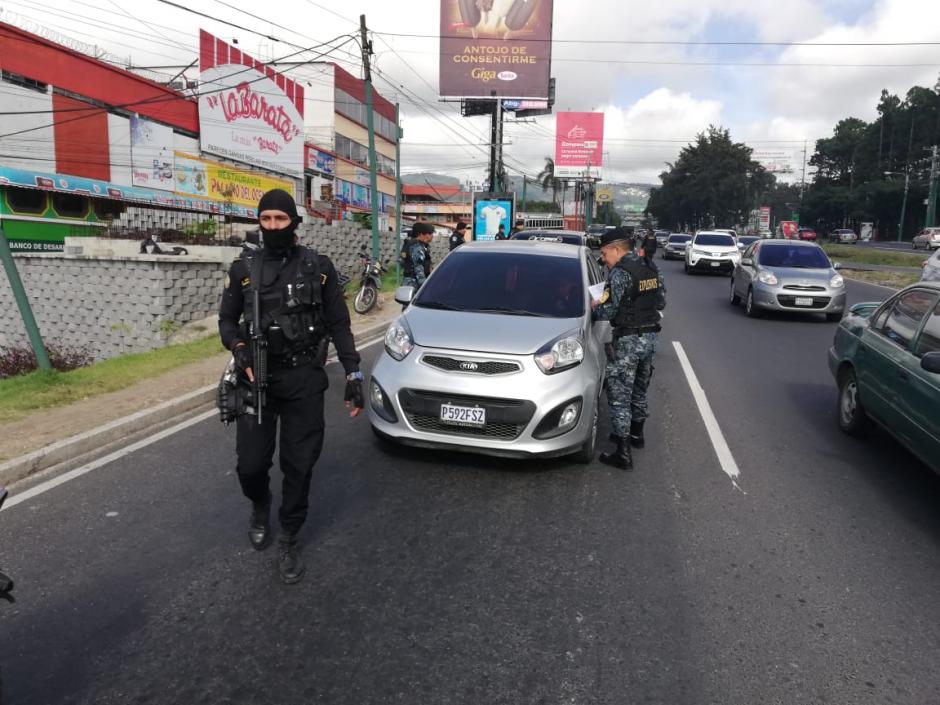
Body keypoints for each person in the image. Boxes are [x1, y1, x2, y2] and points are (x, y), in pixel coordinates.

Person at [218, 188, 364, 584]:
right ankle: (260, 503)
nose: (272, 227)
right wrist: (239, 346)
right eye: (266, 220)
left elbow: (339, 325)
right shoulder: (243, 268)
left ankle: (288, 537)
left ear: (294, 222)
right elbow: (227, 322)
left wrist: (353, 374)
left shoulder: (319, 267)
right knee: (250, 466)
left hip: (303, 378)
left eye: (280, 220)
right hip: (256, 378)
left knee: (299, 465)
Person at [591, 227, 666, 470]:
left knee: (619, 393)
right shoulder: (650, 267)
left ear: (616, 249)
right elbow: (661, 301)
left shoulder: (619, 274)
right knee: (639, 388)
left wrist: (594, 305)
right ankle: (636, 435)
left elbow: (607, 311)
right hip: (650, 338)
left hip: (628, 340)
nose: (603, 259)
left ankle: (622, 453)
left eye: (604, 253)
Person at [400, 221, 434, 291]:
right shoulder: (416, 246)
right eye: (430, 233)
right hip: (414, 283)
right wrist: (424, 285)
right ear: (421, 234)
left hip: (410, 281)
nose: (432, 235)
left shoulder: (414, 244)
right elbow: (418, 266)